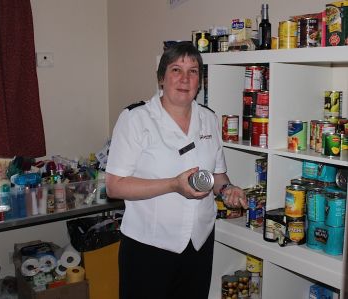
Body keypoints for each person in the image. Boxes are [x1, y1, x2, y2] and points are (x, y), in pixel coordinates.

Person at [105, 41, 248, 299]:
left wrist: (227, 188)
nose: (184, 79)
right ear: (161, 78)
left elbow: (216, 175)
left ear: (200, 81)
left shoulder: (209, 119)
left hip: (198, 244)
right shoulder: (136, 119)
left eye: (193, 71)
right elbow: (114, 185)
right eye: (176, 70)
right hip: (149, 247)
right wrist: (172, 184)